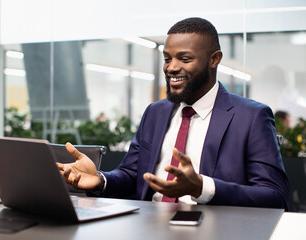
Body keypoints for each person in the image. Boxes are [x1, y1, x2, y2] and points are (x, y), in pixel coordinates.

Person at [57, 17, 289, 209]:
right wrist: (100, 179)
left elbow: (275, 197)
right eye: (167, 59)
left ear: (214, 59)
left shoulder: (251, 117)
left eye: (185, 59)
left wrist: (201, 187)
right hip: (149, 226)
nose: (171, 67)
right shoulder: (155, 113)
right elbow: (131, 175)